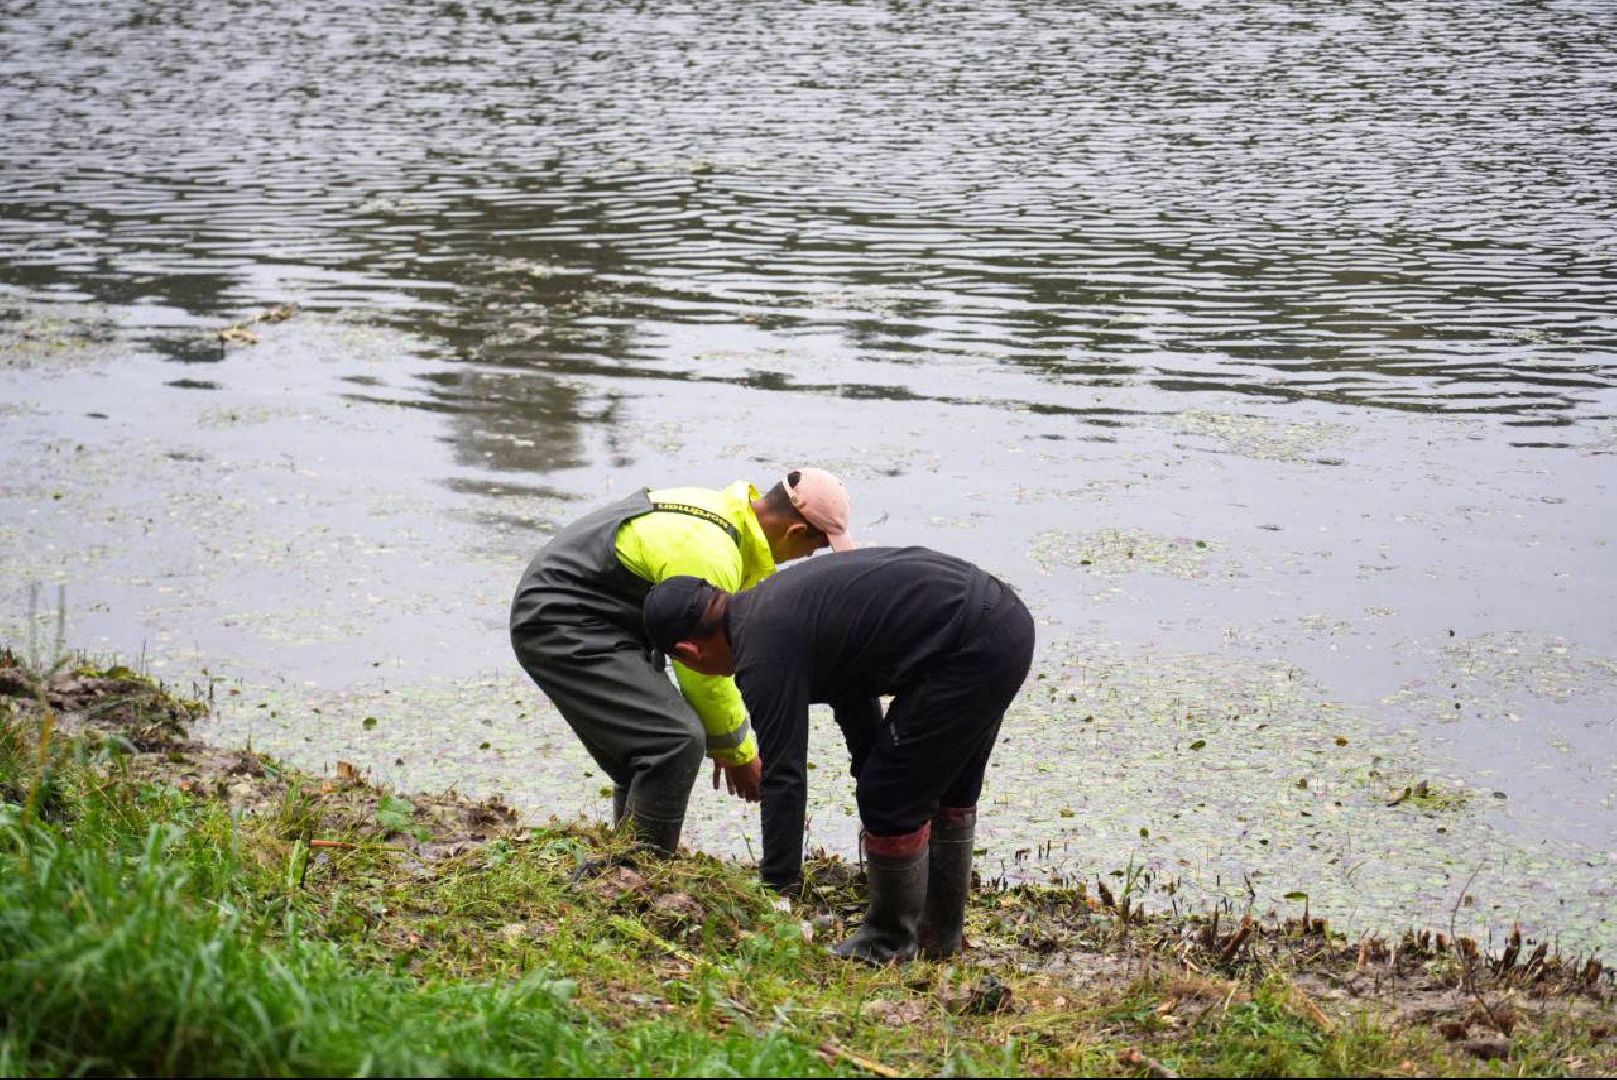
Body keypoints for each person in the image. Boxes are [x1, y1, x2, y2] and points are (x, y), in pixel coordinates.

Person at [641, 546, 1035, 963]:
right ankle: (939, 941)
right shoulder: (768, 608)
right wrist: (870, 763)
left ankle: (888, 943)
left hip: (970, 645)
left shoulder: (760, 653)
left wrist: (778, 891)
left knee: (890, 797)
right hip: (1002, 623)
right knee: (946, 787)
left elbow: (784, 775)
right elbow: (852, 681)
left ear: (688, 652)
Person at [509, 469, 855, 854]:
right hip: (561, 617)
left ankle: (628, 861)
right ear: (795, 533)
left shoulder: (722, 512)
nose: (806, 558)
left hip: (610, 620)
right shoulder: (710, 553)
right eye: (813, 549)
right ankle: (648, 869)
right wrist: (737, 751)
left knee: (646, 745)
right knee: (674, 739)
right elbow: (701, 667)